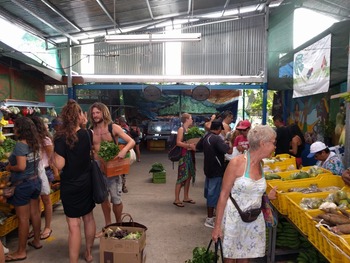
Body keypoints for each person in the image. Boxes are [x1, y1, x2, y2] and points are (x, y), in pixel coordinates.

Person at [211, 125, 277, 262]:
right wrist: (217, 227)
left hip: (252, 220)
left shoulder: (261, 164)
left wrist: (266, 196)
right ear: (262, 143)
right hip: (234, 219)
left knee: (245, 258)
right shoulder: (237, 163)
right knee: (229, 258)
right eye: (273, 142)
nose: (275, 146)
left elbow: (252, 190)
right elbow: (223, 195)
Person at [52, 100, 96, 263]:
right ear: (79, 116)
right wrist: (84, 125)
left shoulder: (60, 138)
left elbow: (60, 164)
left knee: (73, 225)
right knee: (89, 218)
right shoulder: (87, 134)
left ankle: (73, 261)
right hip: (86, 182)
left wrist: (53, 157)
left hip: (70, 184)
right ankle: (89, 253)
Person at [87, 103, 135, 230]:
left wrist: (123, 151)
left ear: (104, 112)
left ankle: (118, 224)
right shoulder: (91, 130)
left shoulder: (113, 127)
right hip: (98, 168)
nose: (95, 115)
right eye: (93, 113)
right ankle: (108, 225)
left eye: (97, 112)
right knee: (103, 198)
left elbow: (131, 141)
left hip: (113, 167)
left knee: (116, 199)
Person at [5, 117, 42, 262]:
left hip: (23, 184)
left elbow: (20, 167)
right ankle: (37, 241)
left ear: (20, 129)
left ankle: (21, 251)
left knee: (23, 219)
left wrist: (9, 167)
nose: (14, 129)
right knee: (35, 213)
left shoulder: (21, 145)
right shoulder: (35, 142)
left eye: (15, 127)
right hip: (35, 181)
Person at [196, 119, 232, 228]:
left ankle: (212, 215)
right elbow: (229, 151)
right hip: (217, 169)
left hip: (208, 169)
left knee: (210, 193)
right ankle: (210, 219)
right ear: (219, 129)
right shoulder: (216, 138)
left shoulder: (206, 137)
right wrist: (229, 142)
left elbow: (198, 147)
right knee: (213, 194)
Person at [29, 116, 56, 241]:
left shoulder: (45, 140)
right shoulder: (32, 140)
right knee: (36, 201)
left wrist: (55, 171)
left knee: (46, 200)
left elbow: (51, 158)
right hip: (35, 172)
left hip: (45, 171)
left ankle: (48, 227)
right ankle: (36, 228)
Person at [173, 113, 197, 207]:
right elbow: (178, 142)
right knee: (181, 177)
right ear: (186, 119)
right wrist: (188, 145)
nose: (192, 120)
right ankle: (176, 199)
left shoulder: (189, 130)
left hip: (190, 155)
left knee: (189, 176)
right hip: (184, 156)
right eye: (191, 118)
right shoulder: (181, 129)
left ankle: (186, 197)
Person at [117, 116, 131, 193]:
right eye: (122, 122)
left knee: (123, 170)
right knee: (118, 170)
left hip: (123, 151)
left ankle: (123, 186)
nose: (123, 123)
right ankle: (120, 186)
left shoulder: (125, 129)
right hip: (117, 151)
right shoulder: (115, 128)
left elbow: (129, 140)